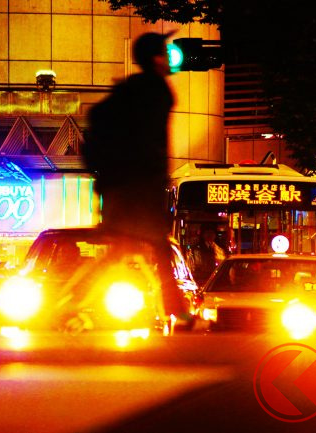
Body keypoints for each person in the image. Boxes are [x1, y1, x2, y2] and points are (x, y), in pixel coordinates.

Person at [83, 32, 186, 318]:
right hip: (138, 187)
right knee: (158, 245)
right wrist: (153, 175)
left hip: (121, 185)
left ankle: (74, 302)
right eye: (165, 53)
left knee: (123, 249)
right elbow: (149, 142)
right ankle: (177, 310)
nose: (169, 59)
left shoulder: (133, 89)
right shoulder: (154, 91)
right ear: (155, 59)